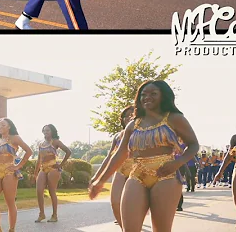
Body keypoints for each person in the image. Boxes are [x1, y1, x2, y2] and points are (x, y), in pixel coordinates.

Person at [89, 80, 200, 232]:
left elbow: (193, 144)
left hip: (165, 175)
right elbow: (120, 154)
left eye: (153, 94)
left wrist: (177, 163)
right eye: (143, 94)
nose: (147, 97)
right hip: (137, 175)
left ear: (163, 96)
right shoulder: (133, 124)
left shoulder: (174, 118)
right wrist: (100, 181)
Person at [0, 118, 33, 232]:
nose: (0, 127)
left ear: (9, 126)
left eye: (3, 125)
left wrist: (18, 166)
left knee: (10, 202)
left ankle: (12, 229)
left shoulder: (15, 138)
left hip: (9, 172)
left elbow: (29, 151)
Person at [91, 105, 134, 228]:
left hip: (137, 169)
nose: (128, 118)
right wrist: (96, 177)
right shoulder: (117, 136)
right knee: (115, 202)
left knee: (132, 205)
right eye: (125, 116)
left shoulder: (143, 132)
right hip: (120, 169)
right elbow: (109, 157)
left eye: (131, 115)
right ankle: (124, 228)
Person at [34, 124, 71, 223]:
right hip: (43, 168)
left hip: (53, 168)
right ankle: (41, 214)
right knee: (39, 190)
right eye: (44, 130)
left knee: (51, 191)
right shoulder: (41, 144)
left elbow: (68, 152)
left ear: (52, 132)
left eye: (48, 130)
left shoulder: (56, 142)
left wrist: (61, 165)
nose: (46, 132)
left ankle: (54, 215)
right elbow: (39, 159)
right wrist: (35, 173)